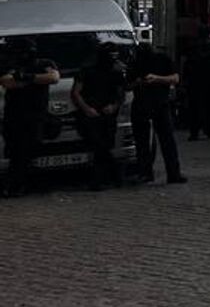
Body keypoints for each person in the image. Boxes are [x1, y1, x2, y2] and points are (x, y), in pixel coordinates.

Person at [1, 39, 60, 197]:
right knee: (15, 151)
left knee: (30, 149)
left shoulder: (45, 63)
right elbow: (8, 82)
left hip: (36, 115)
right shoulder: (10, 63)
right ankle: (16, 184)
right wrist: (35, 80)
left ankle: (24, 183)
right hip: (14, 115)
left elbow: (53, 77)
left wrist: (28, 77)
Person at [71, 44, 127, 191]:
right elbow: (76, 92)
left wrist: (113, 107)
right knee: (98, 145)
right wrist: (87, 109)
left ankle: (100, 179)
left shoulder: (116, 72)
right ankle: (113, 174)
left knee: (103, 147)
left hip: (107, 114)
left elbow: (121, 93)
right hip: (90, 113)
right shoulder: (87, 69)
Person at [129, 43, 186, 185]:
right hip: (145, 104)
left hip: (159, 103)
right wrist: (138, 82)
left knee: (165, 140)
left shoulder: (161, 60)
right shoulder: (136, 62)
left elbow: (175, 78)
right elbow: (127, 84)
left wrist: (156, 79)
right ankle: (148, 172)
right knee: (147, 141)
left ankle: (171, 173)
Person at [182, 34, 210, 141]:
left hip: (196, 83)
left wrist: (185, 81)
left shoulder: (193, 49)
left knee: (195, 109)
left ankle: (194, 132)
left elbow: (186, 66)